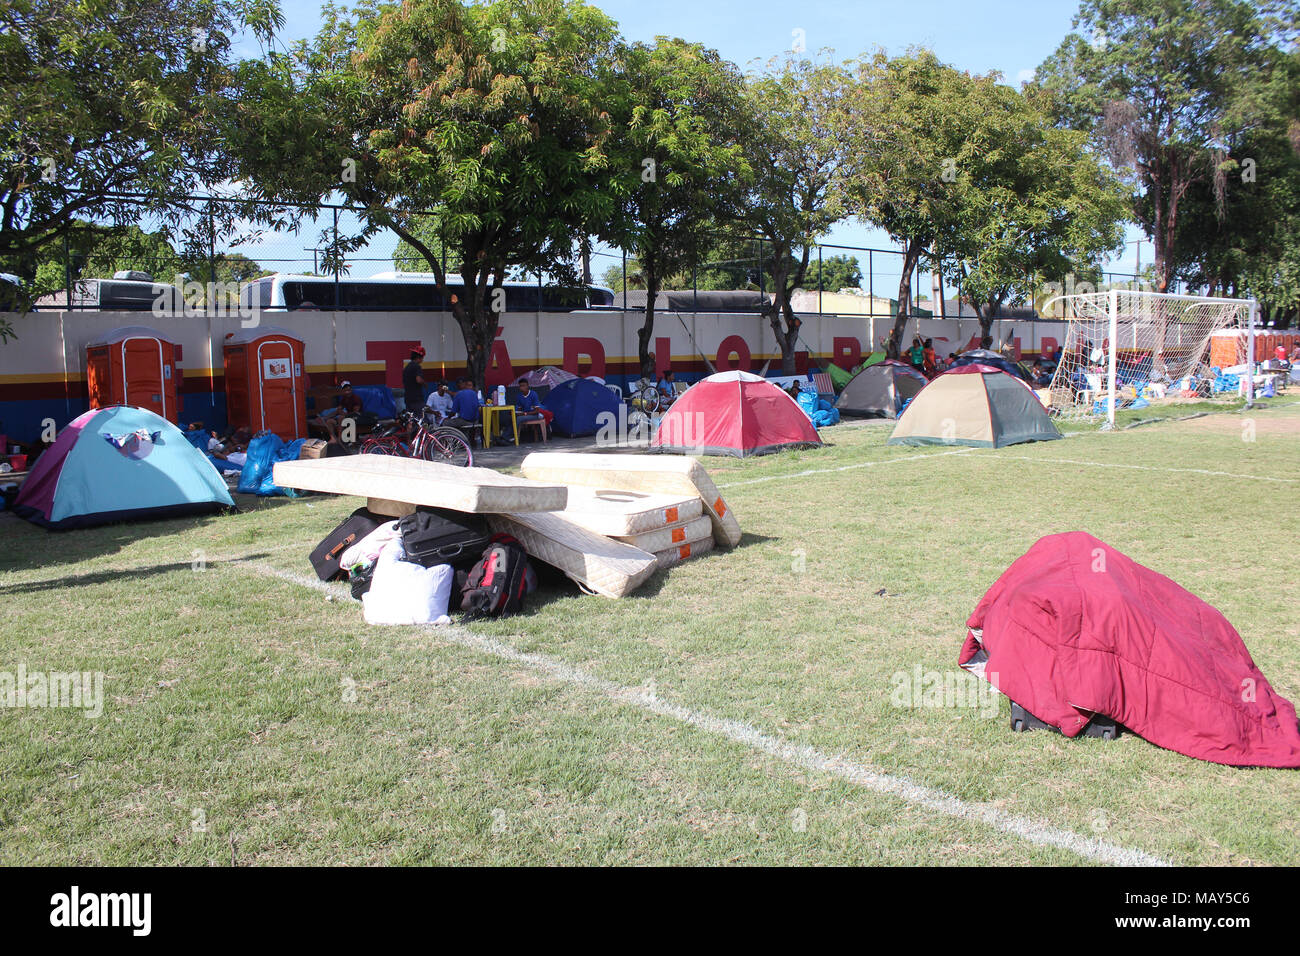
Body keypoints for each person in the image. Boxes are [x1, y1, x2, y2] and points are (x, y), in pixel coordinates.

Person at [513, 377, 548, 442]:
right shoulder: (519, 396)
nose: (522, 388)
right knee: (512, 417)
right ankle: (506, 436)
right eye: (520, 386)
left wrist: (525, 414)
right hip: (525, 414)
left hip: (534, 415)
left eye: (524, 386)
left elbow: (537, 411)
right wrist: (517, 412)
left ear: (528, 386)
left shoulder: (533, 394)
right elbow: (520, 408)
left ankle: (513, 436)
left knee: (519, 419)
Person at [402, 346, 427, 412]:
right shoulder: (417, 366)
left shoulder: (407, 367)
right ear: (419, 357)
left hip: (408, 398)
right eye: (422, 358)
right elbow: (418, 380)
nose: (423, 360)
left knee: (411, 420)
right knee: (421, 419)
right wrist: (424, 384)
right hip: (416, 399)